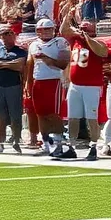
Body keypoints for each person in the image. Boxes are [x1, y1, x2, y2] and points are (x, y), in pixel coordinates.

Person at [59, 0, 111, 161]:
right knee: (73, 117)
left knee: (91, 118)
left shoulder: (99, 42)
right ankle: (72, 145)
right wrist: (68, 12)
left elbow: (101, 52)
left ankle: (94, 146)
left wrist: (87, 37)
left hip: (91, 86)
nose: (82, 30)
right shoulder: (76, 41)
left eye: (85, 28)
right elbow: (63, 30)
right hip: (75, 85)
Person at [27, 17, 69, 157]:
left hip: (53, 81)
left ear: (53, 29)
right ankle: (46, 144)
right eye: (40, 29)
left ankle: (57, 144)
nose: (44, 32)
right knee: (40, 114)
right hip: (38, 81)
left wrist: (47, 59)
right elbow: (30, 65)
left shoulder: (60, 42)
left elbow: (63, 63)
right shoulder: (33, 44)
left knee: (53, 114)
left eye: (47, 29)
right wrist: (28, 83)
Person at [0, 25, 28, 154]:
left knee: (15, 115)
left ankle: (16, 140)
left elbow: (20, 65)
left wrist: (1, 64)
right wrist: (9, 64)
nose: (6, 37)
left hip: (14, 86)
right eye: (4, 34)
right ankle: (1, 142)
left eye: (9, 33)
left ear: (14, 35)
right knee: (0, 115)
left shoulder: (20, 51)